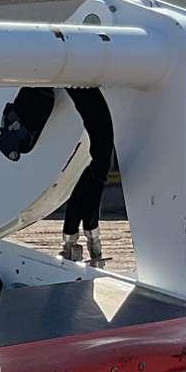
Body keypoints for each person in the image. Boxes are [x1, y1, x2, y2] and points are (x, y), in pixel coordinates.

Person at [61, 87, 114, 268]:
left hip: (80, 78)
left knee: (101, 161)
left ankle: (75, 238)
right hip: (78, 79)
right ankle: (84, 237)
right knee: (102, 161)